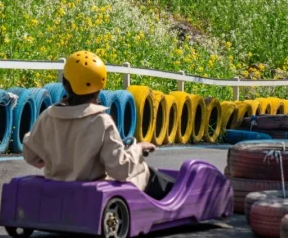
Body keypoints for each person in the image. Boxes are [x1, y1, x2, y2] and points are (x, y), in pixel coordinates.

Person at [21, 50, 174, 200]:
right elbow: (120, 169)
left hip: (56, 188)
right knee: (144, 172)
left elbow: (30, 153)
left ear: (65, 83)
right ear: (99, 88)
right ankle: (176, 197)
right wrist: (137, 149)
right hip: (91, 193)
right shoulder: (101, 121)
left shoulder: (48, 116)